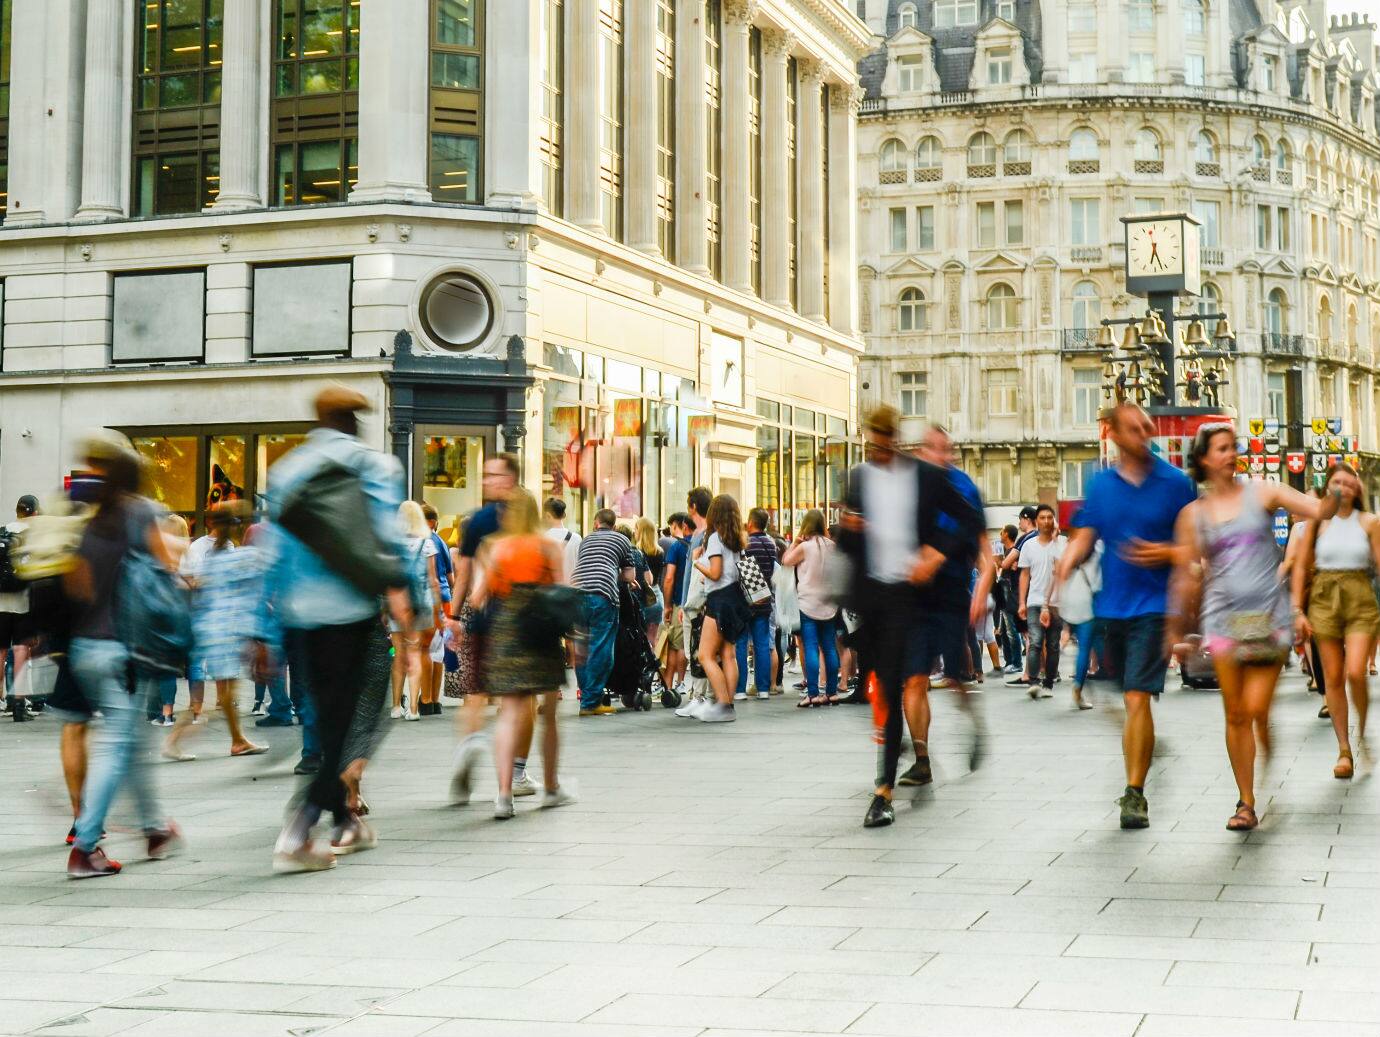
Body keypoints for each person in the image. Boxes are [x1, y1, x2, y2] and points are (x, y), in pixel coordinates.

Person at [264, 386, 411, 873]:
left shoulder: (286, 470)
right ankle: (300, 828)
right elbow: (387, 538)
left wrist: (263, 629)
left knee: (324, 722)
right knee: (357, 722)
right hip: (351, 613)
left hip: (298, 616)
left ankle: (344, 820)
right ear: (354, 421)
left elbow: (276, 552)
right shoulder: (374, 466)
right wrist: (408, 596)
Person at [1172, 424, 1337, 829]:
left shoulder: (1262, 491)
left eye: (1234, 448)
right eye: (1223, 449)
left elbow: (1315, 510)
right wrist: (1175, 630)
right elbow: (1186, 574)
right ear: (1204, 459)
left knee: (1256, 708)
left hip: (1268, 617)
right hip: (1223, 618)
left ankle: (1262, 755)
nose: (1232, 455)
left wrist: (1333, 492)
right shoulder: (1193, 515)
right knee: (1235, 713)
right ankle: (1245, 802)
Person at [1053, 403, 1198, 831]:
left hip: (1154, 608)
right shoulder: (1101, 486)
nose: (1145, 433)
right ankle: (1142, 752)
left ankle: (1134, 793)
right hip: (1110, 609)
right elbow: (1087, 532)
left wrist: (1168, 553)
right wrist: (1067, 560)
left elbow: (1197, 545)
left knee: (1137, 697)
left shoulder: (1175, 484)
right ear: (1112, 433)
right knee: (1119, 696)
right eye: (1134, 428)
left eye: (1147, 427)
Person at [837, 405, 984, 828]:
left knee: (904, 682)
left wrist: (934, 554)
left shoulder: (924, 477)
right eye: (873, 438)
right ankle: (901, 760)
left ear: (895, 437)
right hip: (873, 600)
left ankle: (883, 790)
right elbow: (846, 542)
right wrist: (850, 529)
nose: (878, 445)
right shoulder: (859, 479)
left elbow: (968, 519)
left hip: (912, 596)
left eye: (885, 437)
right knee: (886, 687)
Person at [63, 431, 181, 878]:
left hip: (86, 647)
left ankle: (155, 828)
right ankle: (85, 847)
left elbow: (77, 586)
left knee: (131, 742)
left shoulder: (87, 519)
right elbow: (165, 569)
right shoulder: (141, 512)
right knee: (119, 744)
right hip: (125, 651)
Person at [473, 489, 578, 819]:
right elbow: (560, 590)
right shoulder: (549, 546)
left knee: (510, 713)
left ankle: (504, 794)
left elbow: (478, 597)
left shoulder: (495, 547)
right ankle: (550, 788)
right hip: (540, 628)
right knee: (548, 711)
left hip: (506, 627)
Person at [907, 423, 993, 782]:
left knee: (955, 678)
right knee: (914, 679)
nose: (940, 456)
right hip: (917, 595)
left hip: (954, 593)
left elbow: (986, 554)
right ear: (923, 451)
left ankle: (973, 722)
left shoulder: (964, 489)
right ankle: (922, 759)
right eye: (933, 449)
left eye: (946, 449)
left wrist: (981, 592)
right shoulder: (914, 486)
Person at [449, 455, 530, 802]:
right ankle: (518, 772)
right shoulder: (526, 519)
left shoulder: (476, 521)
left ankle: (469, 744)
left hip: (481, 614)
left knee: (476, 693)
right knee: (521, 700)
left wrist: (454, 616)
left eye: (492, 475)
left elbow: (464, 575)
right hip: (519, 617)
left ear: (508, 479)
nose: (487, 480)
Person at [1291, 462, 1378, 780]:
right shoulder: (1316, 521)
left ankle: (1363, 734)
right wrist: (1296, 611)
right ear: (1328, 486)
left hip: (1359, 597)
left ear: (1356, 488)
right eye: (1337, 481)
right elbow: (1301, 566)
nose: (1343, 486)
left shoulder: (1369, 522)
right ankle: (1344, 749)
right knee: (1333, 677)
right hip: (1324, 598)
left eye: (1349, 481)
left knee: (1356, 671)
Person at [163, 501, 268, 761]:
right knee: (221, 696)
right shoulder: (240, 557)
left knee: (222, 695)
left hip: (209, 629)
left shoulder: (215, 556)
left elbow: (197, 585)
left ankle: (236, 740)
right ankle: (180, 740)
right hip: (227, 632)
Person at [692, 494, 750, 723]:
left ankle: (723, 703)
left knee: (705, 655)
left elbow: (715, 573)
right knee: (728, 653)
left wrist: (697, 563)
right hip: (735, 598)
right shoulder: (736, 539)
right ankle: (729, 704)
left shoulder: (716, 539)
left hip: (719, 600)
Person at [572, 509, 635, 717]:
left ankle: (586, 696)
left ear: (595, 523)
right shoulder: (622, 540)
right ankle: (591, 702)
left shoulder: (586, 540)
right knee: (601, 647)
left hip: (577, 593)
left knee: (580, 648)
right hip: (603, 594)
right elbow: (629, 575)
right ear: (614, 525)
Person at [389, 501, 442, 722]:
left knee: (399, 654)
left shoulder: (392, 545)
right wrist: (438, 609)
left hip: (397, 604)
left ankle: (395, 706)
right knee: (417, 653)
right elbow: (433, 580)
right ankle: (413, 708)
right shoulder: (427, 544)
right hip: (421, 604)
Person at [781, 510, 838, 707]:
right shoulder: (833, 546)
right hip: (829, 602)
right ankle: (832, 692)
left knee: (811, 646)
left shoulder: (805, 547)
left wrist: (795, 543)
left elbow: (786, 561)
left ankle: (813, 693)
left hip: (807, 603)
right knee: (830, 647)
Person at [673, 488, 715, 717]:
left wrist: (684, 604)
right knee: (709, 652)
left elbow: (691, 573)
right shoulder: (715, 532)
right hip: (709, 600)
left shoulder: (701, 535)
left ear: (693, 507)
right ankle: (708, 697)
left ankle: (699, 697)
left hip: (696, 601)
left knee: (695, 650)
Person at [1017, 504, 1065, 700]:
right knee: (1035, 642)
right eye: (1042, 517)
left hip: (1056, 604)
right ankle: (1034, 682)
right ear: (1036, 521)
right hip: (1034, 601)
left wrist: (1056, 541)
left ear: (1053, 521)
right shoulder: (1029, 545)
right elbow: (1024, 575)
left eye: (1049, 518)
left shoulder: (1061, 543)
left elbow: (1062, 571)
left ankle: (1049, 683)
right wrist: (1021, 602)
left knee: (1053, 645)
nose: (1046, 521)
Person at [1059, 511, 1103, 711]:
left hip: (1069, 601)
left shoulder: (1067, 548)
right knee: (1085, 648)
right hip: (1087, 603)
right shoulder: (1098, 548)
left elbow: (1059, 574)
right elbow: (1101, 580)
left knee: (1077, 642)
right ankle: (1078, 686)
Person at [0, 494, 38, 720]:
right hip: (23, 600)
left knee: (0, 651)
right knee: (21, 650)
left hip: (0, 601)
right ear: (33, 513)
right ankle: (19, 704)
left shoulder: (2, 531)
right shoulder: (32, 535)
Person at [734, 508, 778, 701]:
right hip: (764, 601)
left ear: (750, 522)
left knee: (741, 645)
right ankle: (763, 689)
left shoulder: (746, 542)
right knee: (762, 645)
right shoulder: (771, 543)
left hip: (744, 602)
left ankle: (740, 689)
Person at [420, 502, 455, 713]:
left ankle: (424, 700)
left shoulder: (426, 541)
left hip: (430, 597)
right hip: (445, 596)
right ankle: (434, 699)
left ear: (430, 522)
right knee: (438, 649)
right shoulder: (441, 541)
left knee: (424, 648)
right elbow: (450, 577)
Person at [660, 512, 693, 691]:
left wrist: (667, 605)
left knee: (675, 644)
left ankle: (676, 683)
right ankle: (677, 682)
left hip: (679, 601)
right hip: (696, 600)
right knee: (684, 643)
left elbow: (669, 578)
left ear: (678, 525)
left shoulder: (676, 547)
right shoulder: (698, 543)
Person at [996, 524, 1023, 675]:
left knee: (1012, 629)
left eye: (1002, 532)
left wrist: (998, 560)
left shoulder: (1014, 551)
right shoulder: (1007, 551)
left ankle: (1017, 663)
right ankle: (1009, 661)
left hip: (1009, 590)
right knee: (1004, 629)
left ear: (1007, 534)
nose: (1000, 534)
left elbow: (1009, 567)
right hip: (1003, 588)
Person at [635, 517, 666, 646]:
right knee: (652, 640)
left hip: (639, 596)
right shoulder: (659, 552)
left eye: (636, 529)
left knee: (637, 640)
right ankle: (651, 665)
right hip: (656, 596)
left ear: (640, 531)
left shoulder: (636, 552)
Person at [544, 498, 583, 585]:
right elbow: (580, 567)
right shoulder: (577, 538)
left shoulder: (543, 538)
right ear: (564, 515)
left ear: (547, 515)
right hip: (571, 590)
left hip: (549, 591)